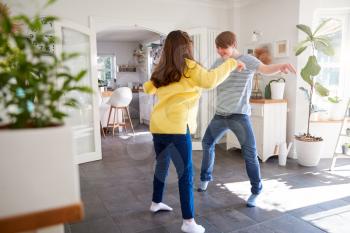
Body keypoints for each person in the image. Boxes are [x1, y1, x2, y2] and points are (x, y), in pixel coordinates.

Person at [143, 30, 243, 233]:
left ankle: (156, 202)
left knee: (162, 165)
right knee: (185, 174)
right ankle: (188, 222)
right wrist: (232, 62)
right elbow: (210, 80)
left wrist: (160, 81)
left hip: (158, 126)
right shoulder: (189, 67)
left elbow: (148, 88)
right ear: (187, 46)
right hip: (176, 128)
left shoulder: (162, 68)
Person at [197, 31, 296, 208]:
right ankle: (205, 178)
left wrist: (281, 66)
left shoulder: (248, 60)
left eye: (224, 49)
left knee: (250, 154)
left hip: (239, 116)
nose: (220, 52)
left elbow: (265, 70)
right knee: (207, 143)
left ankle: (256, 190)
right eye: (218, 49)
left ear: (233, 44)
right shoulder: (219, 62)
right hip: (220, 114)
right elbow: (207, 78)